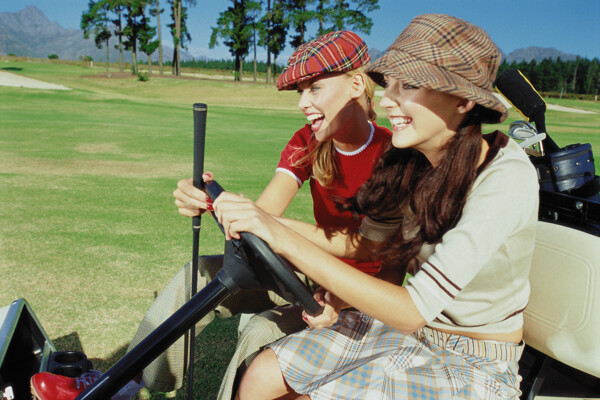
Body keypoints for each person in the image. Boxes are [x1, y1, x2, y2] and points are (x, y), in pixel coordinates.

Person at [212, 13, 539, 400]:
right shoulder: (412, 162)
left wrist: (281, 234)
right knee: (262, 375)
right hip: (408, 333)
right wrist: (335, 297)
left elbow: (413, 307)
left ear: (464, 100)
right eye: (391, 84)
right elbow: (374, 252)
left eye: (410, 85)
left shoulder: (505, 177)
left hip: (475, 360)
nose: (386, 99)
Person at [127, 30, 390, 397]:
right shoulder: (307, 142)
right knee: (198, 274)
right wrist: (207, 199)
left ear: (356, 84)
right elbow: (265, 213)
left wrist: (271, 226)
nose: (303, 102)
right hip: (309, 273)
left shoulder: (392, 155)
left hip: (360, 298)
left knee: (260, 332)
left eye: (314, 88)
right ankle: (132, 383)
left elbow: (370, 249)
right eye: (301, 92)